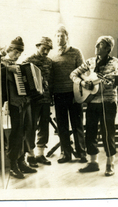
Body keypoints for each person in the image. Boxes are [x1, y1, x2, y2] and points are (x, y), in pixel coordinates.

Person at [0, 36, 37, 179]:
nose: (17, 55)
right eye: (15, 51)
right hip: (11, 102)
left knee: (25, 131)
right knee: (16, 133)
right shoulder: (0, 62)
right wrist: (7, 68)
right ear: (9, 49)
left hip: (23, 101)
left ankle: (22, 161)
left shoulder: (20, 64)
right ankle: (13, 165)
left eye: (20, 52)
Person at [70, 36, 118, 176]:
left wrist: (110, 82)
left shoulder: (115, 64)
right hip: (92, 103)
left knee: (107, 134)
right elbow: (73, 74)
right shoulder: (90, 61)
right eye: (96, 43)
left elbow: (114, 80)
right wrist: (82, 83)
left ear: (108, 48)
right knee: (90, 133)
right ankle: (93, 163)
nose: (96, 46)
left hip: (107, 103)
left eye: (101, 45)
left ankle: (110, 164)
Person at [49, 24, 87, 164]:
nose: (59, 38)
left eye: (62, 36)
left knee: (77, 124)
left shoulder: (76, 52)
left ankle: (82, 153)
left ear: (67, 37)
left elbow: (83, 72)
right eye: (57, 36)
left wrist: (81, 90)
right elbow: (50, 77)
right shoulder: (52, 55)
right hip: (58, 95)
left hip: (74, 94)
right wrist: (51, 94)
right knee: (62, 125)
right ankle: (66, 154)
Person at [23, 37, 53, 167]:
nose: (45, 51)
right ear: (37, 46)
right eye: (43, 48)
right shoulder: (28, 61)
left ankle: (41, 154)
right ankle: (30, 155)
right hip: (34, 99)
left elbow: (51, 79)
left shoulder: (50, 62)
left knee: (44, 126)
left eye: (48, 49)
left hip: (46, 98)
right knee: (31, 127)